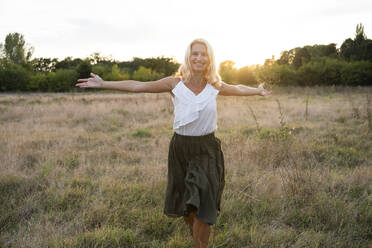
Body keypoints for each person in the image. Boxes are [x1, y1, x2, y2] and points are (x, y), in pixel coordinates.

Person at [76, 38, 271, 248]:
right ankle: (197, 237)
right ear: (188, 57)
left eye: (203, 54)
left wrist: (257, 90)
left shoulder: (214, 85)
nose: (199, 58)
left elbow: (239, 88)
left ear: (209, 59)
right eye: (195, 53)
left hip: (206, 149)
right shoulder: (174, 84)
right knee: (187, 207)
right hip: (180, 149)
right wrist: (104, 83)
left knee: (204, 201)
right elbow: (138, 86)